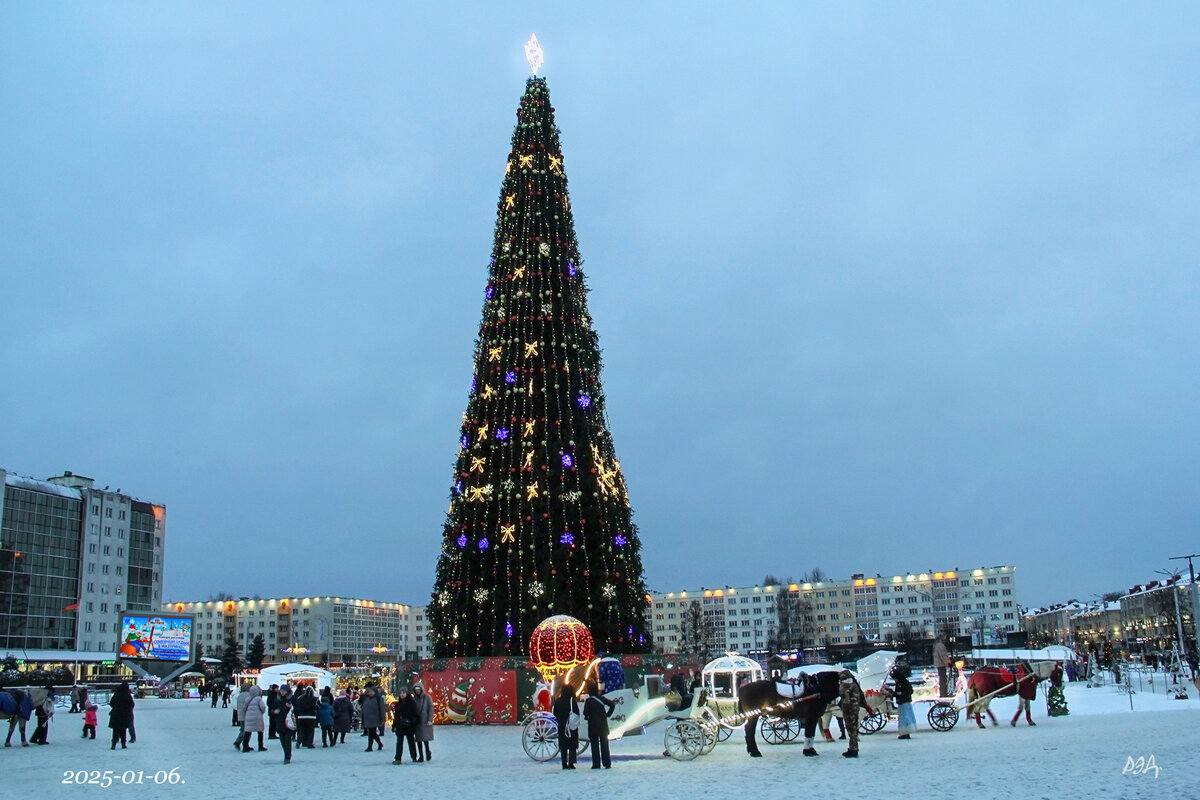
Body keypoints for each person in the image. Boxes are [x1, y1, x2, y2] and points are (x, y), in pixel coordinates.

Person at [583, 682, 616, 769]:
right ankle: (607, 763)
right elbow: (612, 704)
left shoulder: (589, 701)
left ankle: (596, 764)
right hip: (603, 725)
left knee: (594, 746)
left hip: (593, 726)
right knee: (604, 744)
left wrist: (587, 716)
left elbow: (585, 713)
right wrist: (608, 714)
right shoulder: (602, 699)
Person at [551, 683, 580, 770]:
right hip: (571, 724)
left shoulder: (558, 701)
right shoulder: (572, 701)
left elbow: (555, 713)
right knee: (572, 745)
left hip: (562, 724)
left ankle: (564, 763)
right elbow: (576, 712)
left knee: (563, 745)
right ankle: (571, 763)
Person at [391, 687, 419, 764]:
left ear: (407, 693)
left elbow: (415, 714)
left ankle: (414, 757)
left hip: (409, 725)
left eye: (403, 693)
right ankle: (398, 758)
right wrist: (394, 725)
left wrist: (413, 723)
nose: (402, 694)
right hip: (400, 726)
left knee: (411, 742)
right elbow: (396, 716)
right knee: (399, 742)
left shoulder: (412, 703)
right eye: (401, 693)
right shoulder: (398, 704)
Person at [272, 684, 296, 764]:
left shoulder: (292, 698)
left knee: (287, 740)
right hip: (279, 722)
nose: (282, 692)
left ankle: (287, 757)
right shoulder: (277, 698)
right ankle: (287, 753)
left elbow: (298, 708)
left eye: (284, 691)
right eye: (281, 691)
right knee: (282, 741)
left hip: (289, 723)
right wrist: (274, 711)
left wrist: (291, 706)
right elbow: (272, 709)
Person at [891, 664, 916, 740]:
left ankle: (904, 733)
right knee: (907, 717)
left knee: (903, 718)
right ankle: (906, 732)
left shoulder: (901, 683)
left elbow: (900, 692)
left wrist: (895, 693)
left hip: (903, 702)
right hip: (906, 701)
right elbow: (910, 691)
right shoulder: (905, 682)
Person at [241, 685, 268, 752]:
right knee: (260, 732)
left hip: (248, 717)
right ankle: (260, 746)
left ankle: (245, 746)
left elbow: (244, 708)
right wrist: (261, 712)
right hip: (257, 718)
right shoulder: (258, 699)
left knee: (247, 732)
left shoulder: (248, 698)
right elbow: (263, 707)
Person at [108, 682, 134, 750]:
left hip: (116, 715)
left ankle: (113, 744)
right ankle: (123, 744)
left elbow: (111, 703)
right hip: (124, 716)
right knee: (123, 731)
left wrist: (116, 707)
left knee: (115, 731)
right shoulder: (128, 695)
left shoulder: (116, 694)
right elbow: (132, 705)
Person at [360, 686, 386, 752]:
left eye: (372, 691)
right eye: (370, 691)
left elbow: (382, 709)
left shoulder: (378, 699)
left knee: (371, 732)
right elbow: (363, 707)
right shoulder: (367, 698)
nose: (371, 693)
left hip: (375, 718)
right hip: (367, 718)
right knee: (372, 733)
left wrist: (383, 719)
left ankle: (370, 747)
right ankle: (379, 744)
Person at [413, 683, 434, 762]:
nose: (417, 691)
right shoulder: (414, 699)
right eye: (416, 690)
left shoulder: (427, 698)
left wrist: (430, 719)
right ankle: (421, 756)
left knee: (425, 739)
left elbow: (431, 709)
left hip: (425, 721)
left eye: (418, 690)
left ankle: (427, 752)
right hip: (417, 722)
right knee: (418, 740)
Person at [293, 685, 319, 749]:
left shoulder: (300, 698)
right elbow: (318, 707)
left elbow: (296, 707)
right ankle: (309, 744)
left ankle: (299, 743)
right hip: (311, 717)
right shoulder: (315, 699)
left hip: (301, 717)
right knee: (310, 731)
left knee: (301, 730)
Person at [234, 683, 253, 750]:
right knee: (247, 730)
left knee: (243, 729)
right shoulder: (248, 695)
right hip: (246, 715)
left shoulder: (240, 696)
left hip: (240, 715)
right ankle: (240, 742)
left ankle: (241, 742)